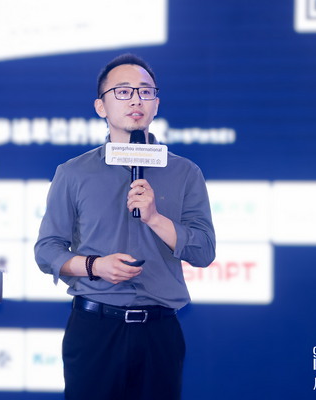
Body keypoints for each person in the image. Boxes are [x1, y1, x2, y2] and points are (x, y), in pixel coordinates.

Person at [34, 53, 216, 400]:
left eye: (145, 91)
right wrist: (95, 266)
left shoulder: (185, 172)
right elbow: (47, 250)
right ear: (100, 106)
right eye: (123, 91)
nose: (136, 100)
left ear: (156, 104)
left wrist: (155, 218)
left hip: (159, 332)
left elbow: (204, 251)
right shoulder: (73, 173)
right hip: (95, 329)